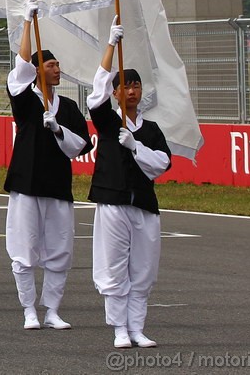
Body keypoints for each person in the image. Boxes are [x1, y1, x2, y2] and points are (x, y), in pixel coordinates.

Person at [4, 0, 90, 330]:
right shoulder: (24, 98)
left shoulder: (67, 106)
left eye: (57, 64)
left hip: (57, 184)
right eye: (51, 64)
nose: (57, 69)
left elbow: (79, 146)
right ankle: (29, 309)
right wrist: (27, 22)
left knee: (59, 250)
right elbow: (21, 66)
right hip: (27, 181)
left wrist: (57, 129)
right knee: (25, 250)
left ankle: (52, 309)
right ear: (39, 70)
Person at [90, 22, 171, 350]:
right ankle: (119, 328)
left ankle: (137, 327)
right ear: (117, 92)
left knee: (143, 269)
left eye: (136, 85)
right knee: (114, 267)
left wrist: (136, 146)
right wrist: (111, 46)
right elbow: (95, 98)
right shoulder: (109, 121)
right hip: (113, 201)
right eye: (126, 86)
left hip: (144, 206)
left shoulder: (150, 129)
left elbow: (162, 164)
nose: (132, 91)